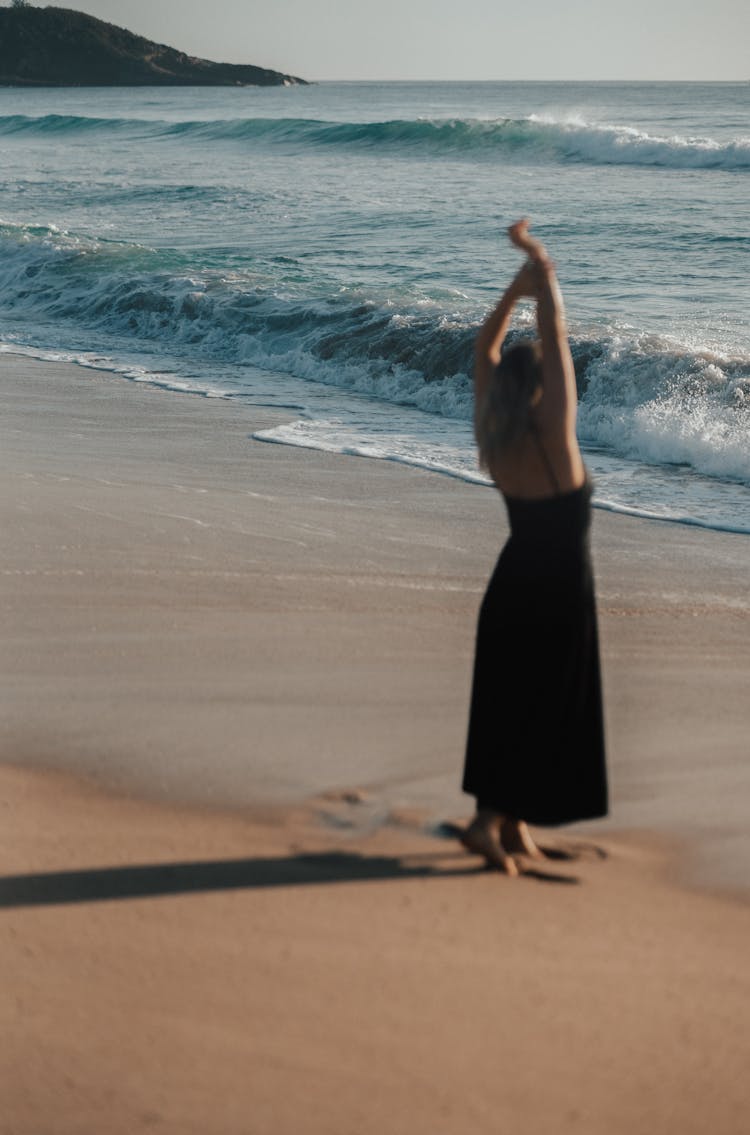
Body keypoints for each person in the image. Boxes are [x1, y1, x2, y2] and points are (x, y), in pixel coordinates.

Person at [461, 218, 608, 875]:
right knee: (541, 706)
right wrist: (538, 265)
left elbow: (483, 352)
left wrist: (513, 290)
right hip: (558, 591)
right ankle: (486, 823)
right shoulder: (555, 429)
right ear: (542, 388)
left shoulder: (498, 437)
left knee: (510, 703)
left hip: (512, 584)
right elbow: (555, 333)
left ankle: (513, 827)